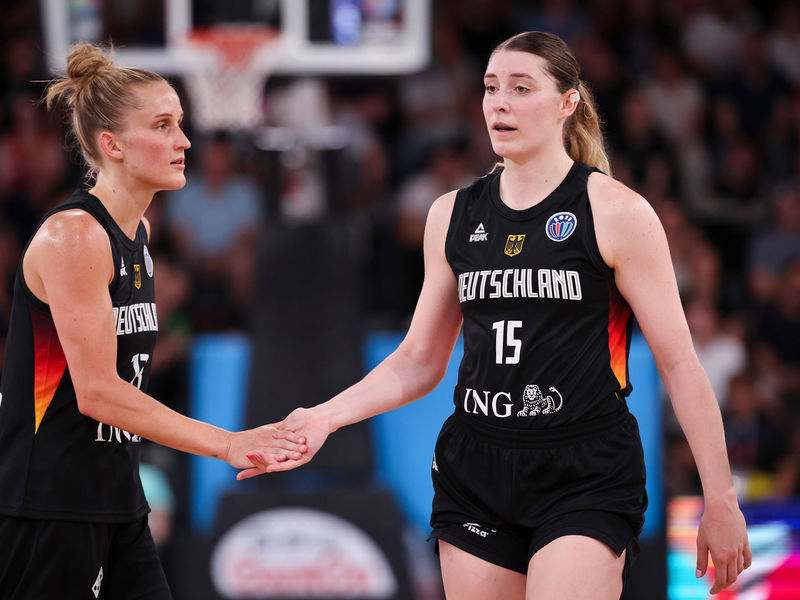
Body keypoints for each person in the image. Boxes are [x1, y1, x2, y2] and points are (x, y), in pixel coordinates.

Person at [249, 31, 752, 598]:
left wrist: (721, 498)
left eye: (520, 88)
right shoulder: (452, 215)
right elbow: (418, 361)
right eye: (491, 89)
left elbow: (680, 363)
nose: (500, 103)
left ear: (568, 103)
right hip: (477, 465)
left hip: (582, 468)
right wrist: (323, 418)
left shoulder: (616, 212)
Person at [0, 43, 307, 600]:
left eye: (181, 125)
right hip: (50, 502)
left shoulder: (137, 237)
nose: (184, 141)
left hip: (117, 494)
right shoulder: (74, 236)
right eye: (163, 126)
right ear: (110, 145)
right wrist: (227, 443)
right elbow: (98, 393)